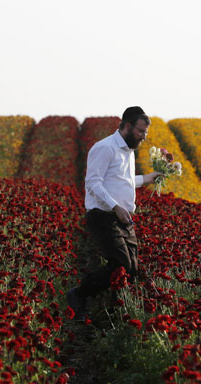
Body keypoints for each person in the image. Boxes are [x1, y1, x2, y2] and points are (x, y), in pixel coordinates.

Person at [67, 106, 162, 320]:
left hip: (123, 217)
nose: (143, 137)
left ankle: (114, 313)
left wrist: (147, 178)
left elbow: (121, 181)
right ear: (127, 126)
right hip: (103, 215)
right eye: (140, 132)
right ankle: (79, 295)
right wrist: (115, 206)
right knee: (121, 264)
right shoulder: (105, 148)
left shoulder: (127, 151)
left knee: (132, 270)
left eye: (145, 133)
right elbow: (93, 183)